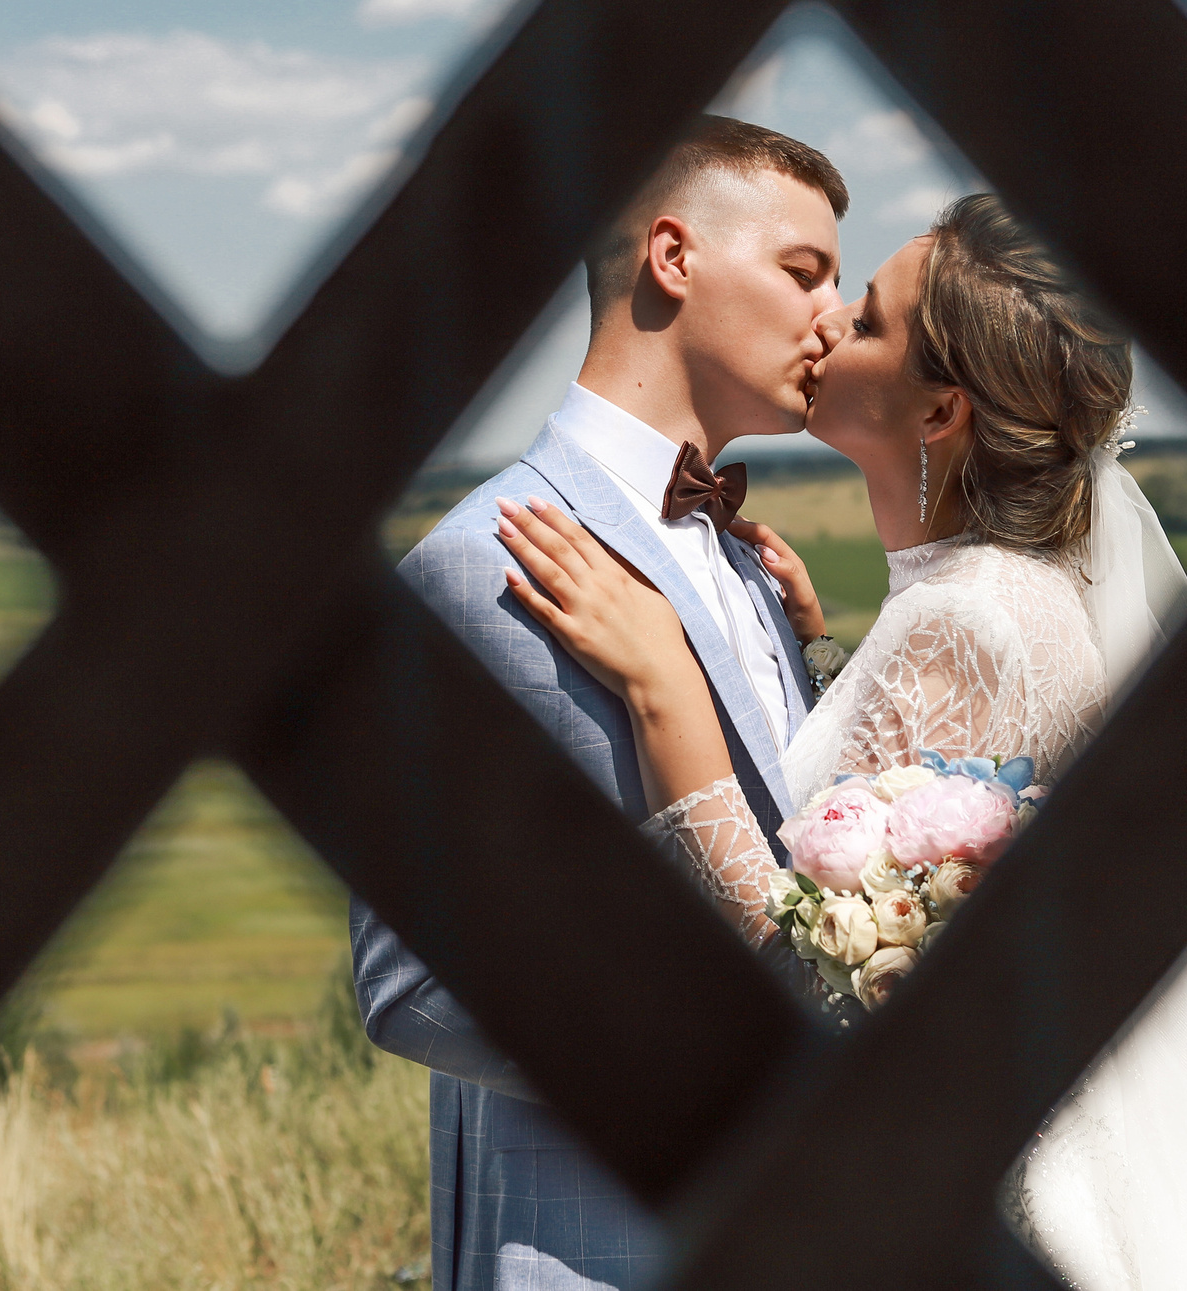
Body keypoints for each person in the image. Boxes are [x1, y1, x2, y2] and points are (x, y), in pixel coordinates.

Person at [495, 195, 1187, 1291]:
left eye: (867, 319)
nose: (827, 320)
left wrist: (667, 696)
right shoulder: (1012, 596)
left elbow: (805, 970)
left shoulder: (966, 624)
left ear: (940, 411)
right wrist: (825, 660)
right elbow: (914, 818)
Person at [353, 116, 850, 1291]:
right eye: (804, 271)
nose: (834, 317)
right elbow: (410, 989)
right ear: (672, 258)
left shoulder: (752, 567)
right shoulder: (482, 564)